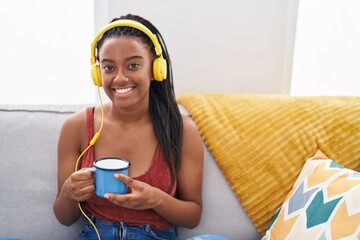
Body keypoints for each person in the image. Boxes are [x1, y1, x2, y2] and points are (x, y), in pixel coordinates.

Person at [53, 13, 204, 240]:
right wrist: (68, 193)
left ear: (156, 69)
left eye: (133, 65)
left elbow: (192, 217)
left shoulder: (182, 130)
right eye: (108, 68)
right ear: (97, 73)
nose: (120, 78)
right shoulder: (76, 127)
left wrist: (156, 200)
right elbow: (65, 217)